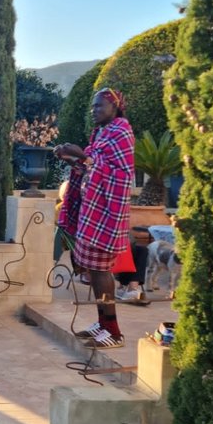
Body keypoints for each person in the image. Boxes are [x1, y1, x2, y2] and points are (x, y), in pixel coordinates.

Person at [53, 87, 135, 349]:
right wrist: (74, 159)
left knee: (101, 271)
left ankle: (113, 330)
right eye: (93, 106)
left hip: (107, 214)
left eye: (100, 106)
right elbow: (93, 167)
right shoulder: (101, 133)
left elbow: (121, 177)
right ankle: (102, 324)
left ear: (115, 107)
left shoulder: (121, 132)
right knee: (94, 270)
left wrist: (84, 156)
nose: (94, 110)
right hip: (93, 212)